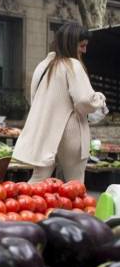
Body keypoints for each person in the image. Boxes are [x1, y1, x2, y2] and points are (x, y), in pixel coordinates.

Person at [13, 23, 108, 183]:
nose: (84, 50)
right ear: (71, 43)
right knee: (75, 182)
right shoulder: (73, 65)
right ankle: (73, 209)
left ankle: (23, 207)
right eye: (82, 45)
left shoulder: (42, 66)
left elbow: (35, 99)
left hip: (45, 130)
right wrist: (99, 98)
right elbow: (84, 101)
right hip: (71, 131)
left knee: (38, 179)